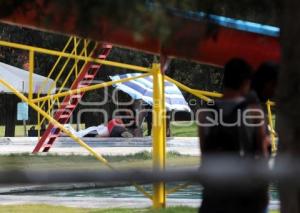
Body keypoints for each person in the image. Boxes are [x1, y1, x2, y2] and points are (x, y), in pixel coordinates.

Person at [198, 58, 269, 213]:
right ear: (246, 82)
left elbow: (204, 155)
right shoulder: (254, 111)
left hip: (215, 191)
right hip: (247, 191)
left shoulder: (205, 112)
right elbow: (263, 154)